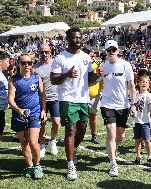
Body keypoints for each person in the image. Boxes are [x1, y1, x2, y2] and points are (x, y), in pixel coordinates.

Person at [50, 27, 102, 180]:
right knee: (71, 130)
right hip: (67, 98)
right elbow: (53, 80)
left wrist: (98, 76)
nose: (77, 40)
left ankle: (74, 149)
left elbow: (90, 80)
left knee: (82, 128)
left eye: (79, 37)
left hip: (83, 99)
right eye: (74, 38)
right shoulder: (61, 58)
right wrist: (67, 74)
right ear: (68, 39)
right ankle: (70, 165)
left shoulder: (86, 57)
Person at [99, 40, 136, 177]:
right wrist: (97, 74)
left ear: (118, 51)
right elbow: (92, 81)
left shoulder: (126, 65)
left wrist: (133, 104)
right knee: (111, 132)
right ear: (106, 52)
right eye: (109, 50)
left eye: (113, 49)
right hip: (107, 104)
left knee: (120, 136)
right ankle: (113, 163)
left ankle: (114, 148)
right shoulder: (102, 66)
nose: (111, 52)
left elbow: (131, 86)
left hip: (123, 105)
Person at [8, 54, 47, 179]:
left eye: (29, 63)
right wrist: (19, 110)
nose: (27, 65)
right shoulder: (13, 80)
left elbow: (42, 95)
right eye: (24, 63)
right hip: (19, 115)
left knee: (33, 141)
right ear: (18, 64)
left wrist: (43, 110)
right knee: (24, 142)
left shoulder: (36, 78)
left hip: (34, 113)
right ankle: (29, 166)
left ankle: (37, 165)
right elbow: (10, 99)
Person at [33, 44, 60, 158]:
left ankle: (53, 141)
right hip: (40, 99)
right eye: (41, 52)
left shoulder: (56, 64)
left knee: (56, 122)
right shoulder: (35, 67)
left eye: (46, 51)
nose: (44, 54)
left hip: (55, 98)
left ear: (50, 52)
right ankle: (43, 145)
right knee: (42, 123)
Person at [133, 75, 151, 166]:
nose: (144, 83)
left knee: (147, 140)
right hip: (136, 121)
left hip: (145, 121)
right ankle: (138, 156)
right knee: (137, 140)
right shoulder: (135, 94)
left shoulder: (149, 95)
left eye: (146, 82)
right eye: (142, 81)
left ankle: (150, 157)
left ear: (148, 84)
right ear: (138, 83)